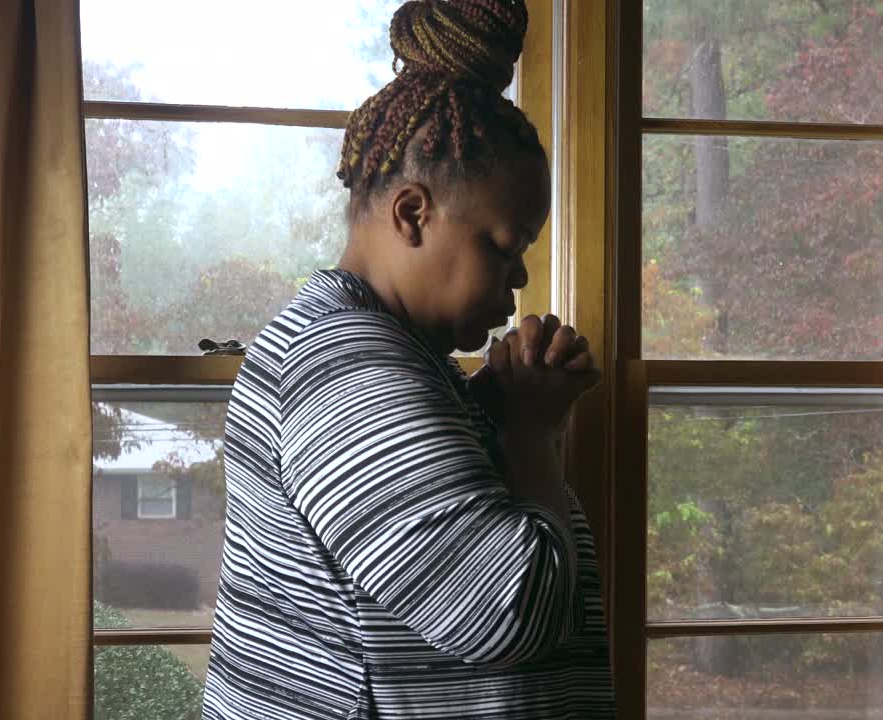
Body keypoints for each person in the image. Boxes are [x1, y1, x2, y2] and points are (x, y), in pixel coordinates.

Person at [200, 1, 616, 717]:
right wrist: (529, 432)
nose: (518, 280)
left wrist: (497, 405)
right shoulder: (346, 365)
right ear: (413, 213)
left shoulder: (371, 350)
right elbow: (506, 611)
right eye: (505, 246)